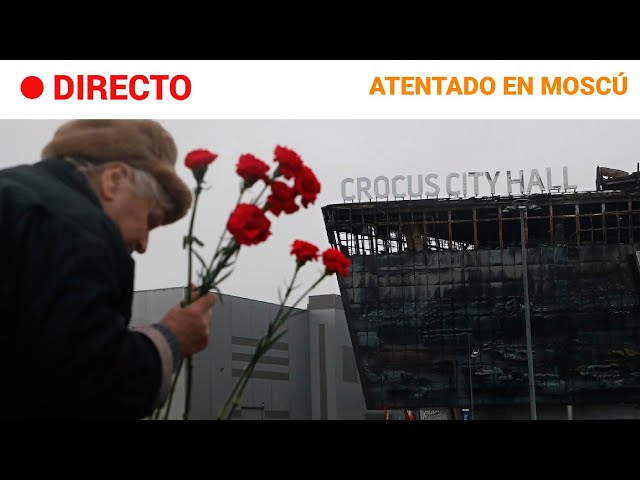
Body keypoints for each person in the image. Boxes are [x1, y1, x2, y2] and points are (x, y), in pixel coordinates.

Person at [0, 119, 216, 419]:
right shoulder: (77, 227)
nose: (143, 243)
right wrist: (173, 338)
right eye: (149, 220)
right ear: (114, 180)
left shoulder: (13, 193)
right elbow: (91, 386)